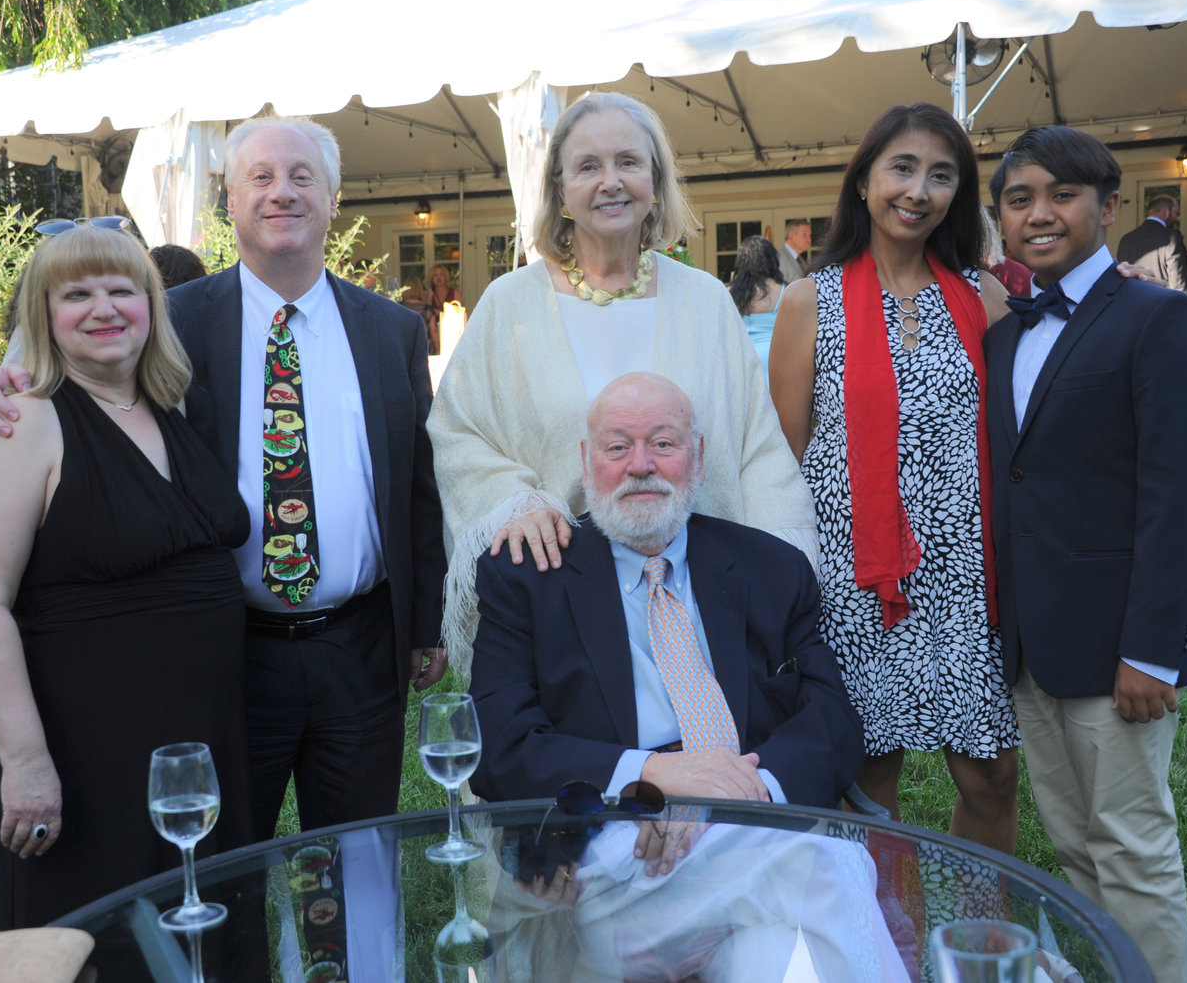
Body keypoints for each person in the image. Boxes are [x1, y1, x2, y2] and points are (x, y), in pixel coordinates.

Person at [0, 115, 447, 843]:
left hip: (363, 646)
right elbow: (60, 368)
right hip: (221, 651)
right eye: (260, 178)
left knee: (360, 856)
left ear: (335, 200)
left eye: (302, 176)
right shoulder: (168, 319)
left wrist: (425, 621)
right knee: (216, 858)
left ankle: (349, 962)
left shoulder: (391, 330)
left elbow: (419, 486)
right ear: (229, 203)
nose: (282, 193)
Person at [470, 372, 905, 983]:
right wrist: (652, 775)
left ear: (698, 458)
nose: (640, 466)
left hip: (750, 830)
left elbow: (831, 719)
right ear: (586, 461)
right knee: (830, 863)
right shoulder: (529, 578)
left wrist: (736, 795)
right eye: (618, 447)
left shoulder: (771, 569)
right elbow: (500, 745)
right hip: (606, 851)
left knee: (771, 961)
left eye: (664, 444)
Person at [428, 91, 815, 677]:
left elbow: (756, 445)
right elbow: (457, 429)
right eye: (588, 166)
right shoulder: (511, 305)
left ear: (655, 181)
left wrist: (779, 568)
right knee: (592, 760)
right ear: (560, 191)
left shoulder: (706, 302)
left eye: (628, 163)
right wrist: (516, 500)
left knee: (700, 749)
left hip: (695, 587)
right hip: (562, 599)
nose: (610, 181)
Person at [0, 223, 255, 930]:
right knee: (97, 937)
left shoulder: (169, 406)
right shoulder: (23, 424)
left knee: (198, 922)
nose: (104, 308)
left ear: (152, 304)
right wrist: (25, 762)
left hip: (197, 738)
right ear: (43, 317)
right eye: (76, 294)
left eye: (122, 290)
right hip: (82, 749)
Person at [986, 125, 1187, 983]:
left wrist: (1149, 651)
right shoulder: (1004, 336)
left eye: (1062, 195)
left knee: (1131, 846)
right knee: (1076, 846)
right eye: (1019, 200)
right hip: (1032, 646)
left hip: (1120, 647)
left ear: (1107, 206)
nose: (1039, 214)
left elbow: (1182, 498)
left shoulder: (1158, 318)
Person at [767, 101, 1020, 855]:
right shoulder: (809, 302)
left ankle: (980, 948)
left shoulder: (986, 296)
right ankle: (892, 951)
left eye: (942, 176)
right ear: (865, 181)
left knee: (990, 775)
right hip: (855, 581)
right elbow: (785, 456)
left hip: (966, 576)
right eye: (902, 168)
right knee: (872, 777)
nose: (919, 191)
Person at [727, 235, 787, 368]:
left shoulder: (730, 293)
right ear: (772, 260)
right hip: (774, 358)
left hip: (740, 358)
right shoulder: (784, 291)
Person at [1116, 193, 1187, 292]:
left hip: (1132, 303)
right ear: (1165, 211)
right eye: (1176, 213)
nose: (1176, 218)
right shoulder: (1171, 238)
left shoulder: (1125, 239)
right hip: (1162, 303)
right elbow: (1179, 284)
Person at [422, 263, 461, 353]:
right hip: (434, 333)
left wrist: (439, 313)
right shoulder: (428, 295)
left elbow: (459, 313)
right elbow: (426, 314)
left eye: (441, 274)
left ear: (446, 277)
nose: (438, 278)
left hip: (452, 331)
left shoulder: (455, 293)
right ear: (431, 278)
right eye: (435, 275)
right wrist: (430, 297)